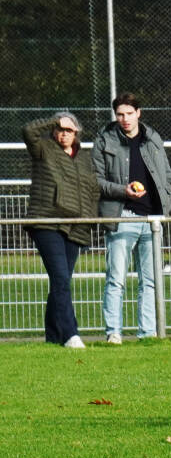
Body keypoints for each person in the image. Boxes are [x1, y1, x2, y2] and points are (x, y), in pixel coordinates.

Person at [92, 93, 171, 343]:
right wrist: (122, 190)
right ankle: (113, 333)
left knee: (149, 281)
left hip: (152, 219)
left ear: (139, 113)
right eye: (120, 114)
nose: (125, 119)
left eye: (129, 113)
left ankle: (147, 333)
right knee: (116, 279)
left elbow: (166, 174)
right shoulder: (104, 141)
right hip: (121, 216)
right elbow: (95, 180)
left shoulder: (153, 138)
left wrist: (165, 205)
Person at [23, 113, 99, 349]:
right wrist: (56, 120)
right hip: (47, 222)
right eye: (60, 129)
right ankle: (70, 334)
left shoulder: (85, 159)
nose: (64, 133)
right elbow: (28, 130)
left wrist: (91, 218)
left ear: (77, 133)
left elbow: (93, 190)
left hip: (76, 227)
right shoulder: (43, 148)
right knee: (60, 278)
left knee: (61, 281)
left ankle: (53, 337)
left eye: (69, 129)